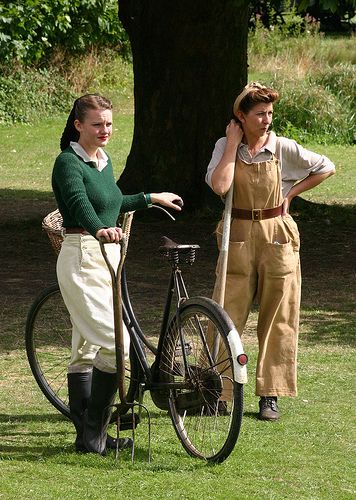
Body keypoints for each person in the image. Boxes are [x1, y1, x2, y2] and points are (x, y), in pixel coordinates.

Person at [52, 94, 183, 454]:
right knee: (117, 343)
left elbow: (111, 202)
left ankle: (86, 433)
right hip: (82, 257)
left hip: (107, 257)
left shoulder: (102, 161)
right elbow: (81, 205)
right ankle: (94, 435)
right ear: (78, 125)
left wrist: (150, 198)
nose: (104, 130)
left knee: (86, 347)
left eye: (108, 123)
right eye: (97, 124)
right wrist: (98, 230)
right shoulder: (68, 163)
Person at [206, 82, 335, 421]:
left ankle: (270, 393)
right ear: (241, 117)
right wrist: (233, 144)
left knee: (279, 314)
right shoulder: (225, 145)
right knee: (226, 310)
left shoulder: (283, 147)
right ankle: (217, 390)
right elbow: (220, 186)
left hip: (277, 234)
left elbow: (326, 166)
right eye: (259, 114)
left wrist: (290, 195)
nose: (266, 120)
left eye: (270, 114)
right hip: (236, 231)